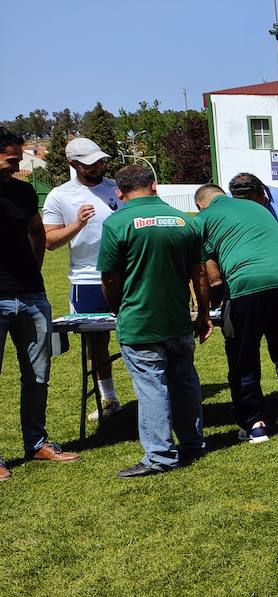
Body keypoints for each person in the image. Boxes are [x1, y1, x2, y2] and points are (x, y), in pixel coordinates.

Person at [98, 164, 210, 477]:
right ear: (154, 185)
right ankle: (193, 442)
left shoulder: (117, 223)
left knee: (152, 387)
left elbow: (108, 277)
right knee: (184, 380)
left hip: (139, 320)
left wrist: (117, 306)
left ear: (119, 192)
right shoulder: (184, 222)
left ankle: (160, 455)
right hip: (177, 318)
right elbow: (199, 273)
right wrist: (202, 312)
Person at [193, 185, 278, 446]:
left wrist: (205, 310)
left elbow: (207, 273)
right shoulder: (256, 207)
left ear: (200, 205)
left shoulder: (203, 219)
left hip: (247, 285)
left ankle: (254, 423)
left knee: (242, 355)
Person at [0, 127, 79, 480]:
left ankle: (37, 444)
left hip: (31, 296)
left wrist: (35, 271)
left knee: (37, 374)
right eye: (12, 157)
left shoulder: (23, 191)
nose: (18, 163)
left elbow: (36, 231)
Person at [41, 137, 124, 419]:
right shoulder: (59, 195)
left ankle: (156, 395)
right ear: (73, 164)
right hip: (88, 280)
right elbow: (50, 241)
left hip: (128, 277)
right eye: (90, 164)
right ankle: (109, 399)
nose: (99, 166)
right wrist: (77, 224)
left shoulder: (118, 188)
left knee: (140, 338)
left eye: (101, 161)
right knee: (97, 343)